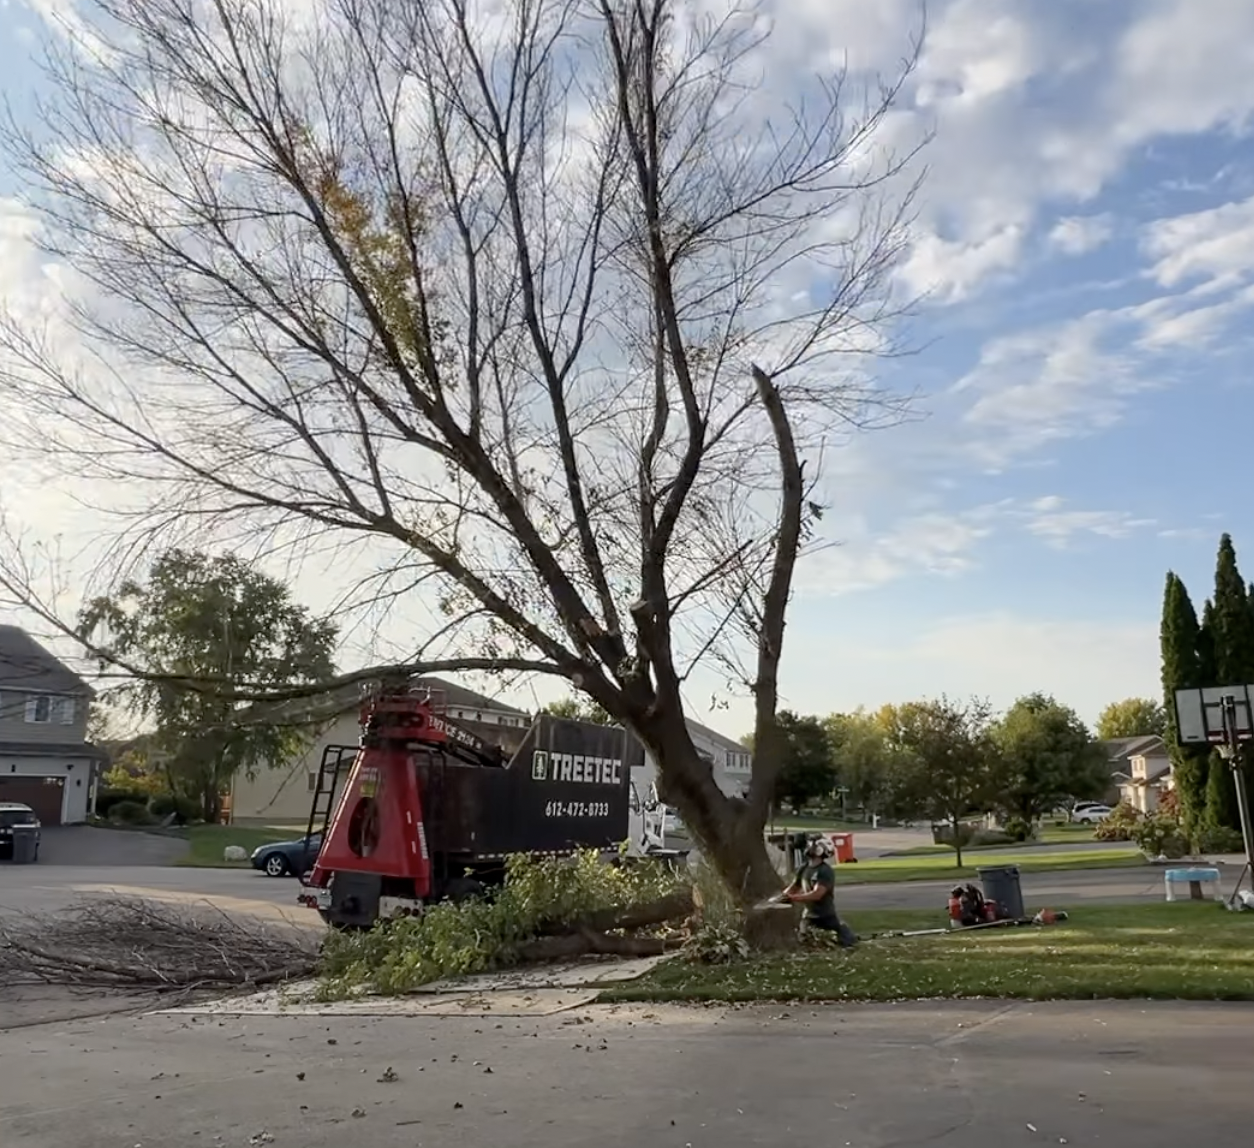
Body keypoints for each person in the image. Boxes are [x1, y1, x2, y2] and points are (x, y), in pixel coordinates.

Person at [782, 837, 857, 947]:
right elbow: (794, 886)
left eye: (812, 846)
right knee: (805, 942)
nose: (808, 848)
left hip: (825, 916)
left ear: (821, 850)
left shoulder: (825, 871)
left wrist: (793, 898)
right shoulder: (804, 867)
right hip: (809, 915)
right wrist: (782, 896)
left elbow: (817, 894)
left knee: (845, 942)